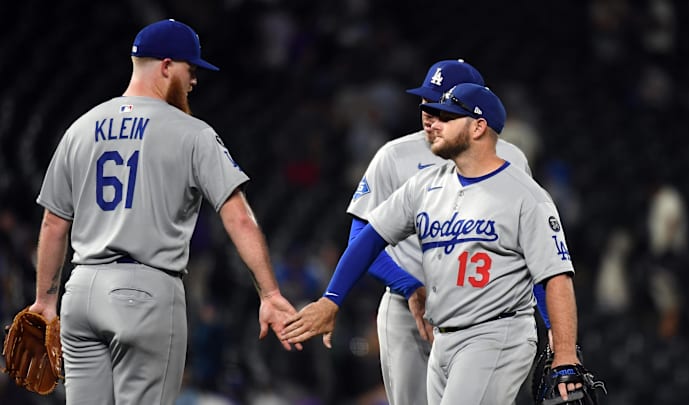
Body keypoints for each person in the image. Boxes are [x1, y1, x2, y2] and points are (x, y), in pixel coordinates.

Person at [25, 18, 301, 404]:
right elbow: (238, 216)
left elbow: (54, 222)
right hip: (146, 291)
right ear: (167, 66)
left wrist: (45, 302)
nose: (194, 81)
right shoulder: (192, 132)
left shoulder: (81, 128)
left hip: (81, 291)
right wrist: (269, 294)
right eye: (191, 69)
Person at [282, 83, 582, 404]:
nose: (432, 123)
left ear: (478, 127)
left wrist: (564, 350)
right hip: (442, 338)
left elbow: (554, 276)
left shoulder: (526, 196)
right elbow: (368, 238)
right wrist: (331, 300)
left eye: (448, 117)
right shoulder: (425, 186)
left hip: (496, 334)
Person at [344, 59, 550, 405]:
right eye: (426, 100)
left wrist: (552, 327)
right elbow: (359, 239)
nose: (429, 110)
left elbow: (533, 249)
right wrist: (407, 286)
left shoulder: (511, 159)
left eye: (442, 103)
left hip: (483, 313)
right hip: (406, 311)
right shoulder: (394, 156)